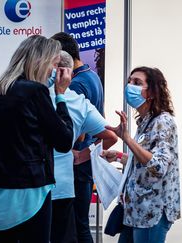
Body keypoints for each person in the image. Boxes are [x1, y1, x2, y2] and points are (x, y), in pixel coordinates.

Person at [0, 35, 73, 243]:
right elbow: (64, 141)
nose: (54, 72)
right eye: (54, 65)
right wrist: (61, 96)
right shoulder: (35, 91)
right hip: (31, 189)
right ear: (42, 62)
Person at [102, 67, 180, 243]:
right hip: (136, 209)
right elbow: (143, 161)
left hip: (152, 210)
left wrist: (127, 139)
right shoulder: (145, 121)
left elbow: (158, 167)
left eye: (137, 83)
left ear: (151, 91)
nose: (130, 86)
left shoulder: (163, 122)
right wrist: (119, 156)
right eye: (130, 81)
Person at [49, 51, 118, 243]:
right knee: (78, 229)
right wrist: (81, 155)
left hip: (36, 186)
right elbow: (110, 136)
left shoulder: (36, 96)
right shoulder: (81, 98)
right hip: (64, 186)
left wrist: (80, 154)